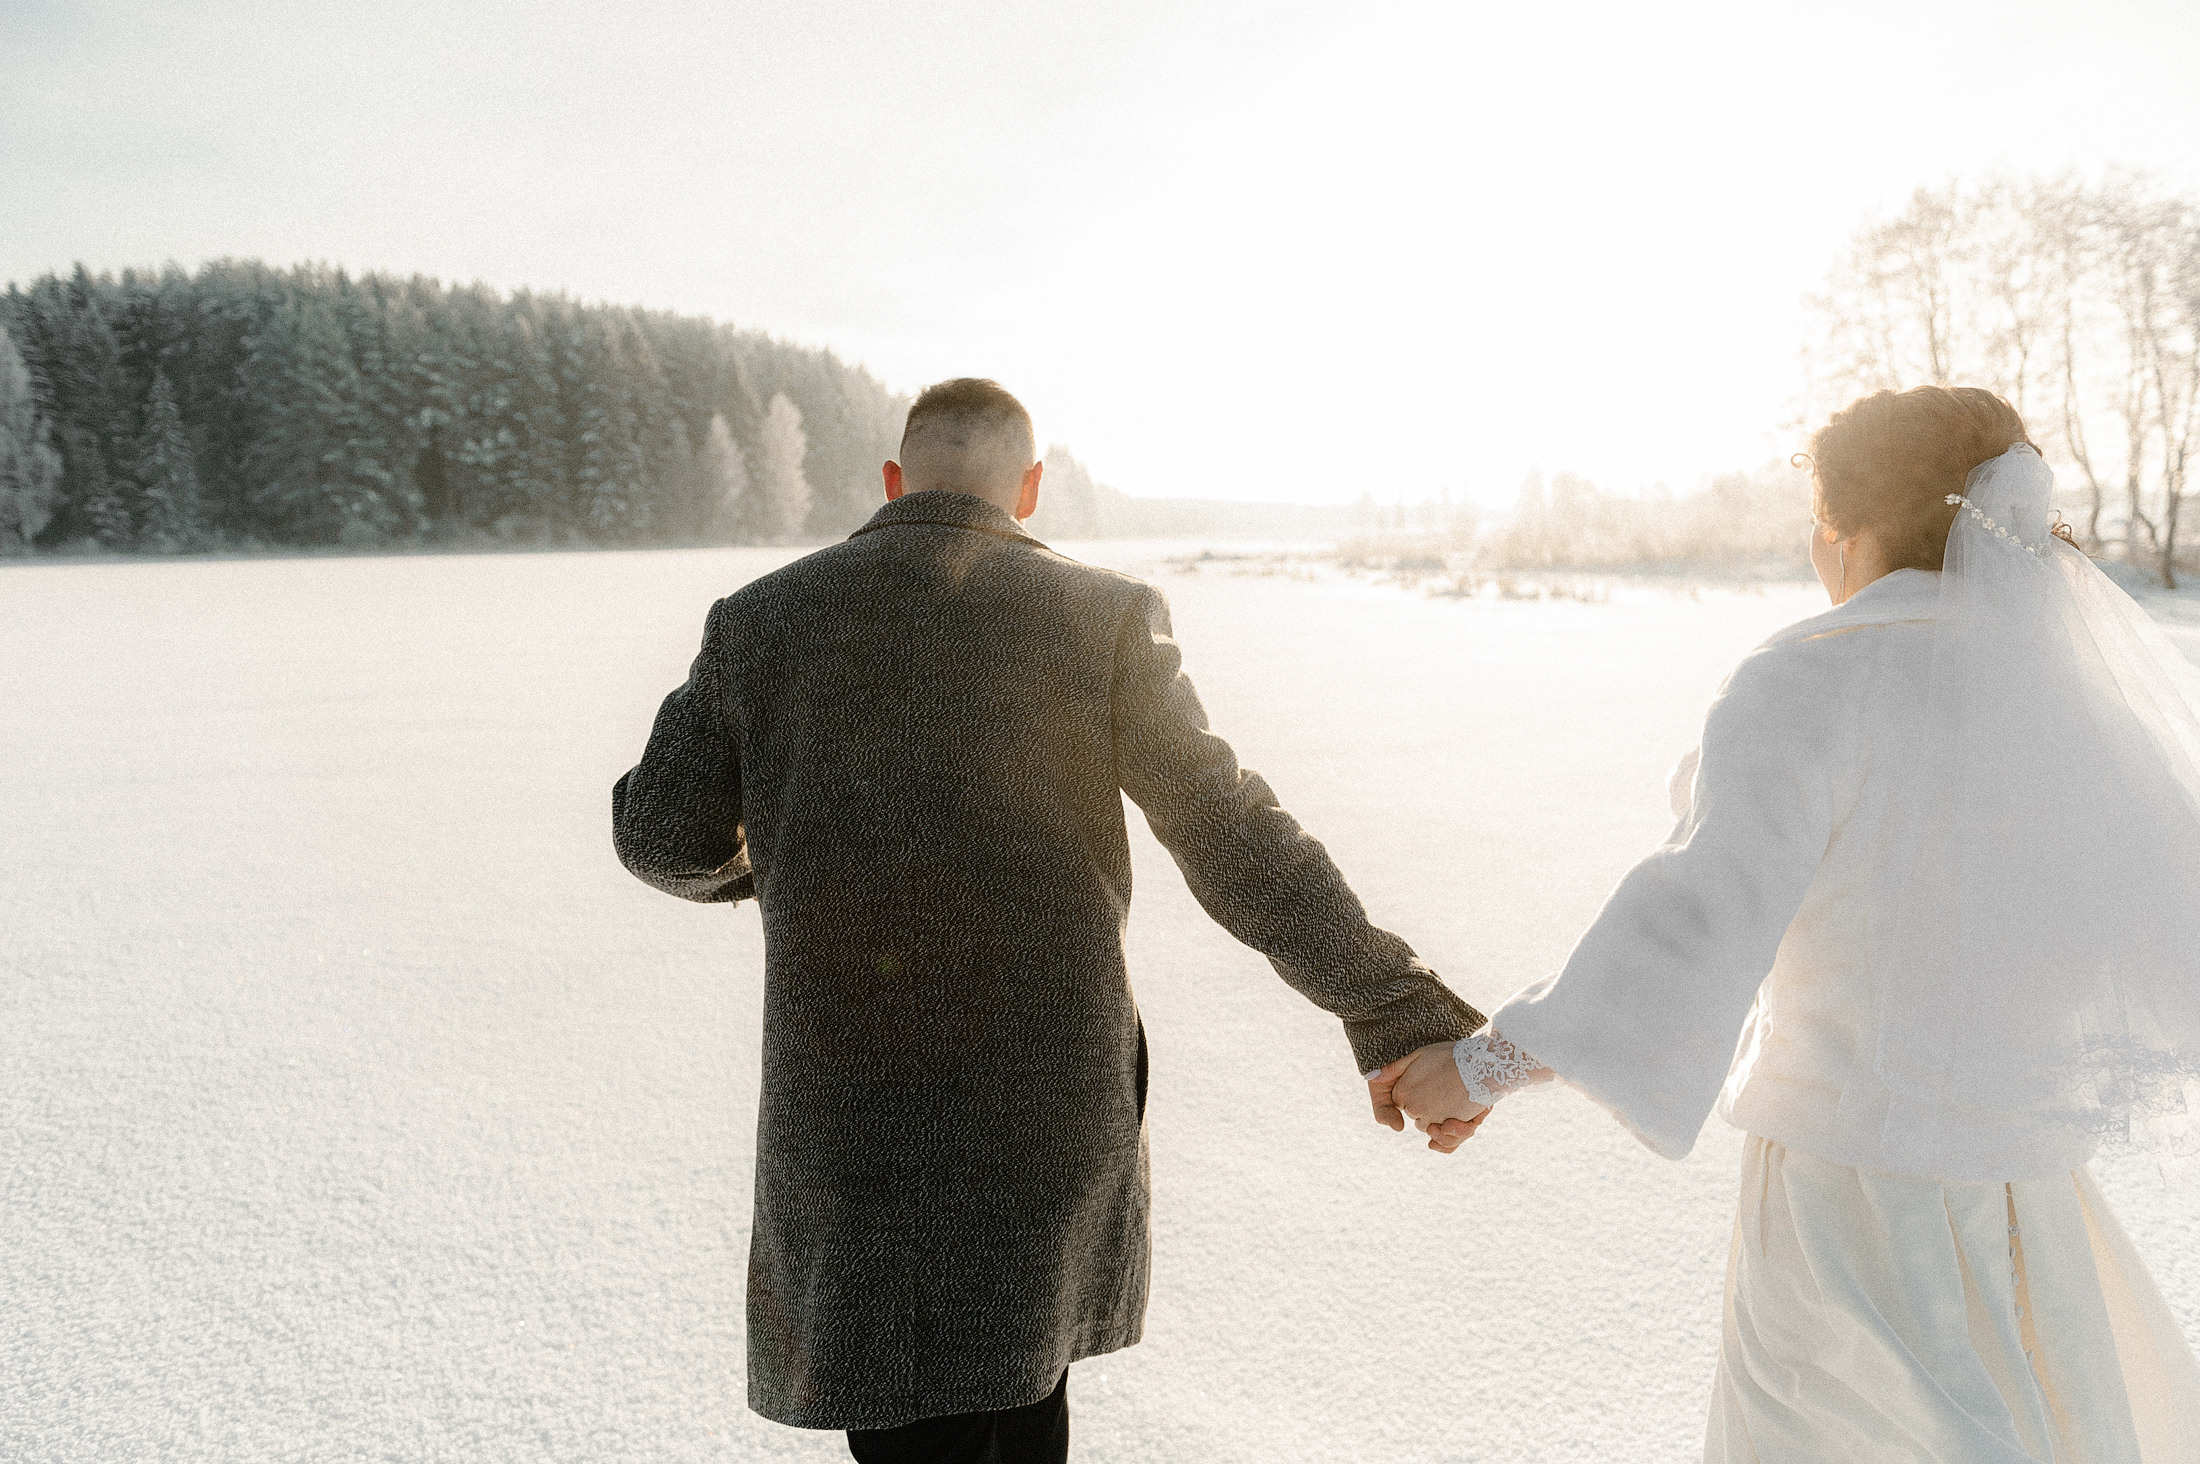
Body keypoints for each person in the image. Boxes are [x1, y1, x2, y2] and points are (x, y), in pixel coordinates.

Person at [612, 378, 1481, 1463]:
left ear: (892, 481)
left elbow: (658, 836)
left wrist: (781, 859)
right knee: (1022, 1404)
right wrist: (1393, 1006)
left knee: (915, 1431)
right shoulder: (1100, 618)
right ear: (1028, 488)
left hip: (852, 1122)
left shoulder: (759, 621)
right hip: (1045, 1119)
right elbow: (1234, 837)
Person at [1377, 385, 2200, 1462]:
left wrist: (1482, 1066)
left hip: (1846, 1209)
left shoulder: (1812, 677)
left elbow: (1692, 925)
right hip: (2028, 1206)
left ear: (1839, 531)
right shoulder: (2064, 696)